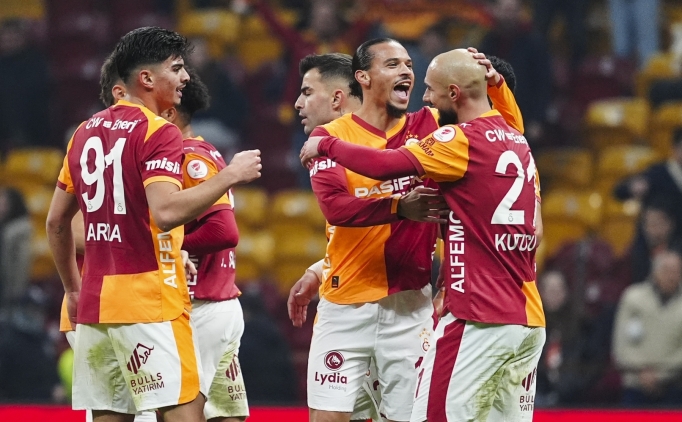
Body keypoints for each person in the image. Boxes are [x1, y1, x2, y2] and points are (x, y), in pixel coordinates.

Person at [300, 48, 545, 422]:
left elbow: (387, 165)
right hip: (525, 317)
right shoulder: (517, 144)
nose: (424, 95)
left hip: (468, 313)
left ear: (455, 93)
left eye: (429, 86)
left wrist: (327, 146)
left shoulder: (452, 137)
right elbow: (534, 229)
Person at [46, 27, 261, 422]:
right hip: (150, 300)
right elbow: (166, 212)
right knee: (183, 410)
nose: (185, 77)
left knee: (110, 415)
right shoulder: (159, 131)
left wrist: (73, 290)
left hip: (95, 303)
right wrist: (231, 175)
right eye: (176, 68)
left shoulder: (83, 132)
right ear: (146, 78)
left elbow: (56, 222)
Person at [612, 250, 682, 406]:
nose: (672, 276)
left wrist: (660, 375)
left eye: (677, 271)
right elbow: (621, 344)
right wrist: (642, 372)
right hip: (635, 384)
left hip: (675, 386)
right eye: (667, 271)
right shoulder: (633, 297)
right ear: (655, 272)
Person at [479, 0, 552, 144]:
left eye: (512, 10)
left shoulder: (534, 42)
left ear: (520, 12)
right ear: (495, 11)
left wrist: (537, 119)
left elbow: (543, 84)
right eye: (505, 10)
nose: (508, 15)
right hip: (494, 118)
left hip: (525, 117)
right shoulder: (488, 42)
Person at [0, 187, 32, 309]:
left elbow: (20, 264)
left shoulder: (18, 231)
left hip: (7, 291)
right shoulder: (4, 227)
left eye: (3, 203)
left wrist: (14, 293)